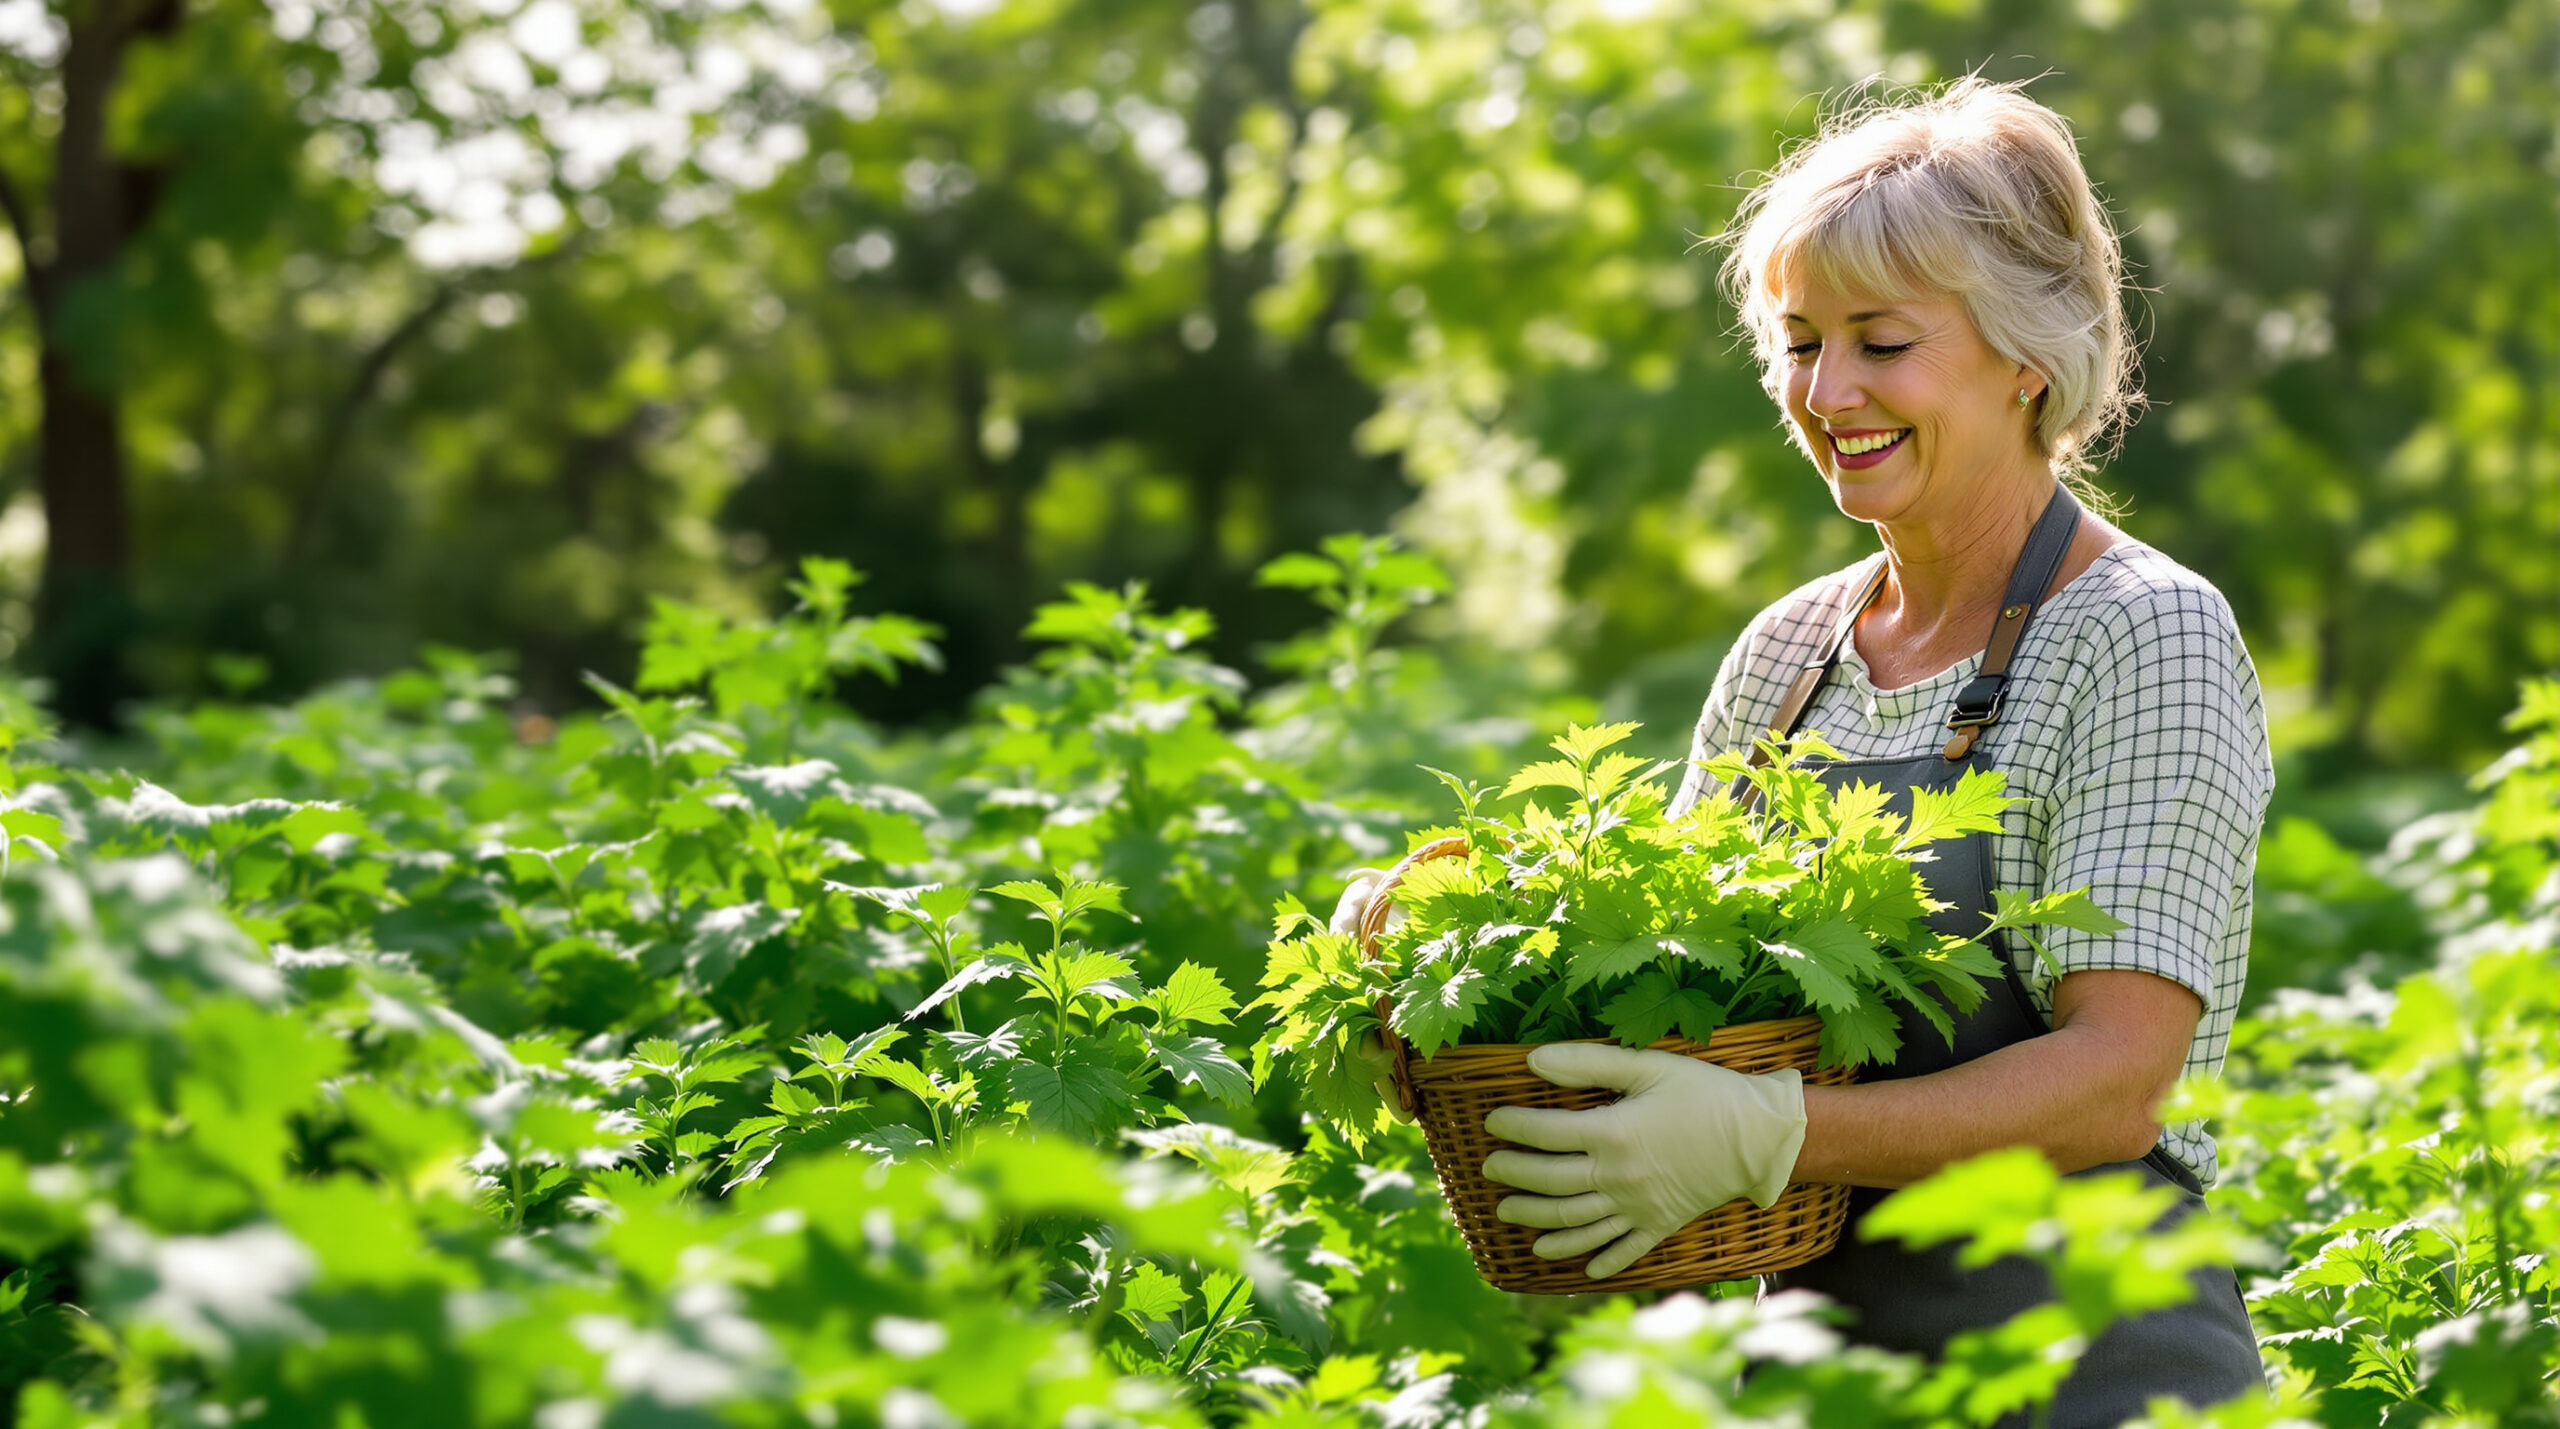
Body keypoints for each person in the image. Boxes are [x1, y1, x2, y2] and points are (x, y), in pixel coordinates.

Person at [1335, 76, 2272, 1425]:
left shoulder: (2141, 634)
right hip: (1823, 1385)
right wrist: (1469, 977)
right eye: (1798, 341)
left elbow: (2114, 1083)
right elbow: (1672, 1004)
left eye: (1882, 342)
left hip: (2092, 1373)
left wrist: (1773, 1133)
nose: (1828, 391)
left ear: (2026, 355)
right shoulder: (1787, 654)